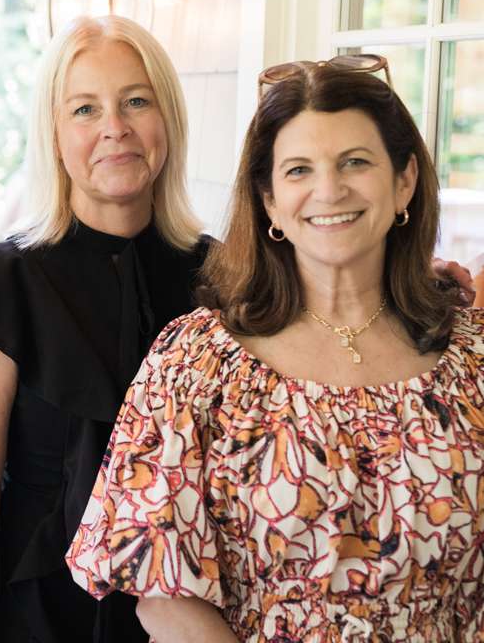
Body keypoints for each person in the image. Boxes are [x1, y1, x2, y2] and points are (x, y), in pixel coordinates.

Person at [66, 54, 484, 642]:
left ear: (404, 182)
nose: (329, 189)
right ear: (269, 201)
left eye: (355, 162)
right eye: (298, 170)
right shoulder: (193, 363)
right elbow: (163, 598)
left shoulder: (473, 360)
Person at [0, 15, 212, 641]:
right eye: (85, 109)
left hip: (188, 617)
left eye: (136, 101)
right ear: (54, 136)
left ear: (168, 119)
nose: (115, 128)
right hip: (37, 615)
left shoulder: (224, 282)